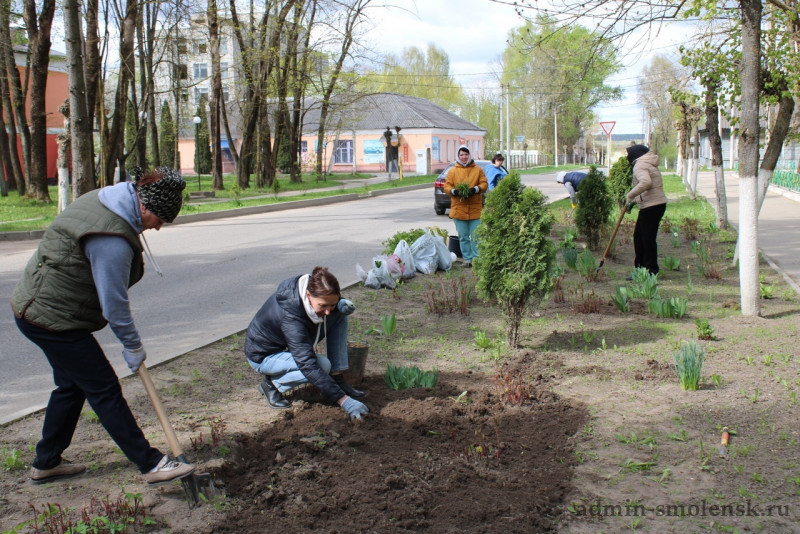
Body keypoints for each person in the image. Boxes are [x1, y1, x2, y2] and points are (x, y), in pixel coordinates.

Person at [11, 167, 196, 486]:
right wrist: (133, 346)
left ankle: (46, 461)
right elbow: (114, 304)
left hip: (36, 305)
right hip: (53, 318)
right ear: (145, 206)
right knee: (104, 387)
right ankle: (151, 464)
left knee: (71, 386)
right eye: (160, 219)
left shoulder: (107, 199)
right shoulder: (112, 239)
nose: (158, 227)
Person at [244, 266, 369, 421]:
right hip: (265, 355)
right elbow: (308, 364)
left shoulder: (314, 286)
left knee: (339, 314)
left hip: (288, 345)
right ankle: (271, 385)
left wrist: (339, 304)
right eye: (323, 305)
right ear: (308, 295)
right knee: (322, 365)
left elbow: (329, 304)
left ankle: (337, 378)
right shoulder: (291, 318)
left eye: (331, 304)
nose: (327, 311)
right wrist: (344, 401)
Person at [625, 144, 668, 275]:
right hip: (656, 204)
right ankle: (642, 268)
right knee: (641, 237)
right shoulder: (648, 163)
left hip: (651, 207)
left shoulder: (639, 165)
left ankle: (649, 270)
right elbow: (651, 186)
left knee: (645, 238)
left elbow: (646, 182)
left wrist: (630, 195)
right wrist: (635, 201)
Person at [443, 145, 488, 267]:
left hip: (475, 209)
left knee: (476, 236)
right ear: (458, 156)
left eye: (466, 154)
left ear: (469, 155)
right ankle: (468, 259)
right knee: (463, 237)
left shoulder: (478, 170)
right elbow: (447, 186)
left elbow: (484, 184)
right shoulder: (453, 171)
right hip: (459, 209)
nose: (464, 157)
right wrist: (454, 191)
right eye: (461, 155)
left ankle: (477, 259)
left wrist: (475, 189)